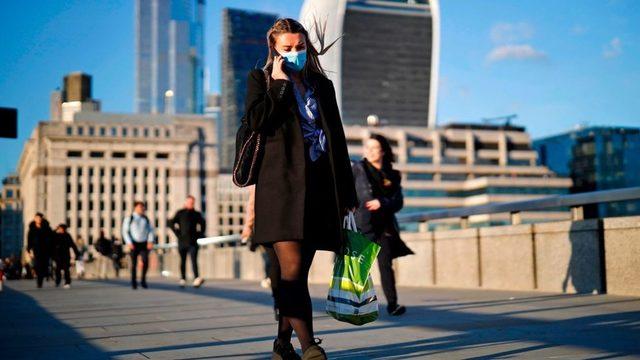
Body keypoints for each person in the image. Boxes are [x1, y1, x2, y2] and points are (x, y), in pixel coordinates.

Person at [243, 18, 358, 359]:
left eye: (300, 47)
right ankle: (309, 346)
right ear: (275, 50)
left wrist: (348, 194)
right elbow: (256, 121)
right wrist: (278, 85)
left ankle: (282, 345)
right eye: (287, 49)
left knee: (290, 274)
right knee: (292, 274)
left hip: (319, 191)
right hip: (278, 191)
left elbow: (337, 140)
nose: (295, 53)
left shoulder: (322, 86)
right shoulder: (260, 80)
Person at [352, 134, 414, 316]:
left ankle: (392, 304)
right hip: (363, 224)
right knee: (359, 266)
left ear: (383, 151)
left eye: (374, 148)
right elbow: (356, 193)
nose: (369, 151)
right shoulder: (359, 168)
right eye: (367, 147)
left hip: (384, 227)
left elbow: (398, 201)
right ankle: (355, 304)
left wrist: (382, 203)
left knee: (386, 266)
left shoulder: (393, 175)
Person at [241, 185, 280, 321]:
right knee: (275, 265)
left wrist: (247, 229)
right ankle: (279, 302)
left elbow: (252, 207)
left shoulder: (259, 180)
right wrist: (248, 229)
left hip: (267, 226)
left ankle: (278, 303)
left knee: (275, 265)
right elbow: (252, 207)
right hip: (270, 226)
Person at [169, 195, 206, 288]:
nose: (191, 204)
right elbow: (170, 223)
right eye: (189, 202)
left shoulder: (197, 214)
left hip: (193, 241)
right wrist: (178, 234)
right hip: (182, 241)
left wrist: (199, 234)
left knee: (194, 260)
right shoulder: (180, 213)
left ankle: (196, 278)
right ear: (185, 202)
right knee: (183, 260)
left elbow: (203, 224)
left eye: (192, 203)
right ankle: (183, 279)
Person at [122, 201, 154, 289]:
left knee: (145, 261)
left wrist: (150, 241)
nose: (142, 209)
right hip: (134, 243)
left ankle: (143, 280)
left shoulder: (146, 219)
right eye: (140, 207)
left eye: (143, 207)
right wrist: (129, 242)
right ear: (135, 208)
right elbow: (125, 231)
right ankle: (134, 282)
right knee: (134, 264)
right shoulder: (130, 218)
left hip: (144, 243)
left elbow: (151, 230)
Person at [27, 213, 54, 288]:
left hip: (46, 250)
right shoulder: (32, 229)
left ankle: (45, 275)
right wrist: (29, 250)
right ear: (35, 218)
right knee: (38, 265)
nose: (39, 219)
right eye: (37, 218)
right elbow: (29, 240)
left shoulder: (47, 228)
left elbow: (52, 238)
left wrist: (51, 248)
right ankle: (39, 282)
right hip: (36, 250)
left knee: (44, 265)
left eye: (40, 218)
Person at [52, 224, 79, 289]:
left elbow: (72, 244)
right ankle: (57, 281)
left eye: (61, 228)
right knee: (57, 269)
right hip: (58, 255)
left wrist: (76, 253)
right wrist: (55, 230)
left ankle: (67, 282)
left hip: (66, 255)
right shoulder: (56, 235)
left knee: (66, 269)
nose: (60, 229)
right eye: (59, 228)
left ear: (64, 229)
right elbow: (51, 236)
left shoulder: (67, 236)